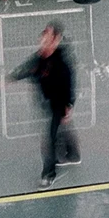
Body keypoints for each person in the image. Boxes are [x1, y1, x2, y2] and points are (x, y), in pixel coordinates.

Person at [13, 23, 77, 187]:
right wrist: (11, 78)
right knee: (60, 129)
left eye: (47, 34)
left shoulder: (62, 63)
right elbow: (28, 68)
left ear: (55, 39)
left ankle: (48, 173)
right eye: (43, 34)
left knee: (48, 138)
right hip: (46, 101)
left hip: (58, 104)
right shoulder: (41, 57)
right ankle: (72, 153)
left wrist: (67, 107)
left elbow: (68, 86)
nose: (42, 37)